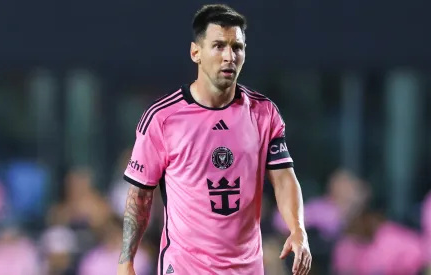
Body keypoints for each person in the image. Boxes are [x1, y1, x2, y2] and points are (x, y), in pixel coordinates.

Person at [117, 4, 311, 275]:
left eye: (237, 47)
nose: (229, 56)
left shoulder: (263, 113)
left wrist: (297, 229)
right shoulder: (163, 118)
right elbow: (140, 195)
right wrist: (126, 261)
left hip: (247, 269)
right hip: (185, 268)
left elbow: (284, 178)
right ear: (195, 52)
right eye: (219, 46)